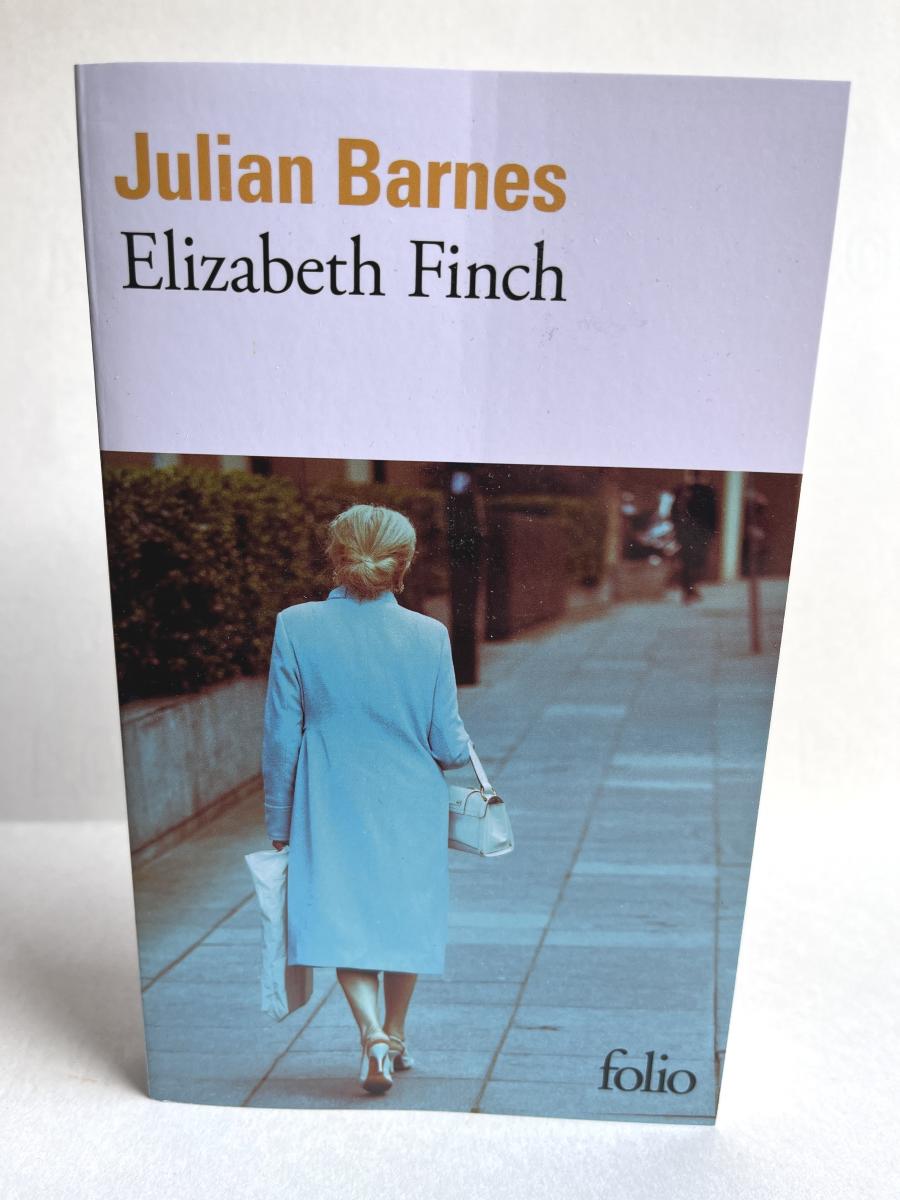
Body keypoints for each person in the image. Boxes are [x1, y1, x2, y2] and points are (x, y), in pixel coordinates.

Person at [261, 503, 474, 1095]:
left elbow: (281, 734)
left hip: (329, 797)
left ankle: (372, 1032)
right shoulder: (429, 636)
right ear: (403, 563)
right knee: (406, 912)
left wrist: (279, 817)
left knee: (345, 914)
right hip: (410, 799)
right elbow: (448, 744)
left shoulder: (296, 626)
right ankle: (395, 1034)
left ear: (336, 555)